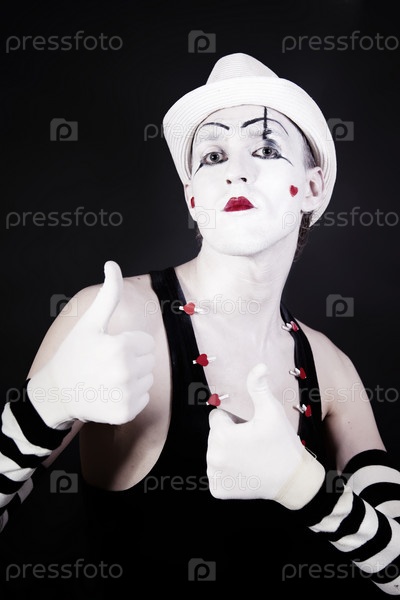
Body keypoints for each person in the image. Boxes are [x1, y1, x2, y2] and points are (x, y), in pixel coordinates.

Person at [1, 52, 400, 596]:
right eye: (213, 156)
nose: (235, 170)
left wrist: (305, 487)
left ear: (311, 187)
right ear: (193, 196)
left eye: (266, 148)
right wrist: (44, 405)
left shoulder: (330, 368)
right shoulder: (111, 318)